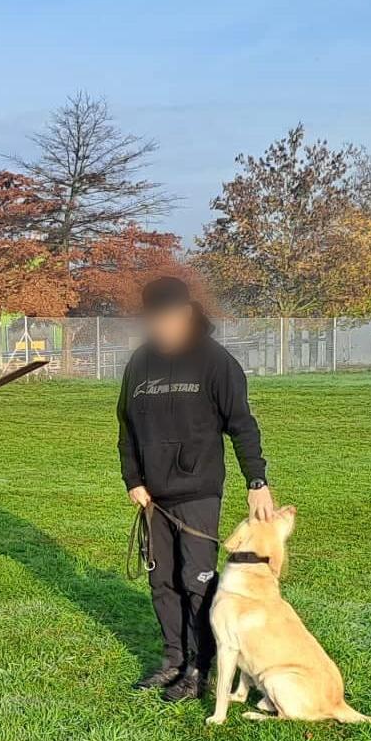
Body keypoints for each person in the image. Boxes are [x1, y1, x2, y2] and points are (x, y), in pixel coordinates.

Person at [117, 276, 274, 701]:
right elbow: (127, 428)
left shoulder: (216, 363)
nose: (162, 326)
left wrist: (256, 481)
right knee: (161, 581)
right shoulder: (139, 364)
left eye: (169, 317)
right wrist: (134, 479)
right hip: (154, 497)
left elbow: (242, 425)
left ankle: (199, 666)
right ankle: (172, 659)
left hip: (199, 491)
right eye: (155, 319)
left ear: (186, 313)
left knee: (196, 580)